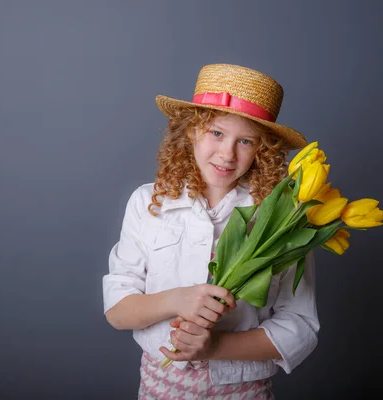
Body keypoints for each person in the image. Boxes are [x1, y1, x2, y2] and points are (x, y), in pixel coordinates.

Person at [102, 63, 320, 399]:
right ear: (190, 131)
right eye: (216, 133)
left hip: (244, 391)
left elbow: (300, 327)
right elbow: (117, 310)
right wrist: (178, 300)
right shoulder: (148, 202)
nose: (227, 154)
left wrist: (215, 345)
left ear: (262, 150)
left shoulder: (281, 219)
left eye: (245, 141)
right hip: (160, 388)